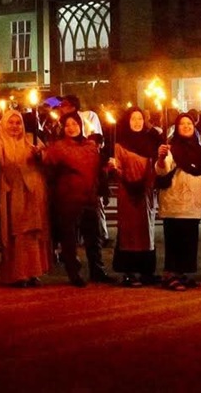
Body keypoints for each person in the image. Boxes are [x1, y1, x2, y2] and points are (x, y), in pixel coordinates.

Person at [43, 111, 114, 287]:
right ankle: (74, 272)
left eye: (74, 124)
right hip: (68, 200)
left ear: (81, 125)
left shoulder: (90, 146)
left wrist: (107, 167)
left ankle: (97, 270)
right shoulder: (58, 147)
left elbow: (98, 170)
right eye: (67, 125)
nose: (71, 128)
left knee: (93, 237)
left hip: (89, 198)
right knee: (69, 238)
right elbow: (50, 172)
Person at [0, 109, 52, 287]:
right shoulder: (0, 140)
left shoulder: (31, 138)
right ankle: (18, 274)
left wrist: (40, 154)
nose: (15, 126)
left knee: (32, 232)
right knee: (17, 233)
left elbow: (46, 158)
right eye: (10, 122)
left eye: (18, 123)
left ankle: (33, 272)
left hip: (33, 192)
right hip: (13, 193)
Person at [155, 113, 201, 291]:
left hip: (192, 204)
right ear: (177, 128)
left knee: (189, 240)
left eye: (189, 124)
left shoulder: (199, 150)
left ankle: (181, 274)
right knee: (174, 239)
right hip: (174, 202)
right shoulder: (171, 149)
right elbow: (162, 171)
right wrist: (161, 158)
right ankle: (170, 275)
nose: (186, 126)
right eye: (182, 124)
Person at [109, 106, 162, 287]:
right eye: (133, 119)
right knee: (129, 231)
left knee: (145, 230)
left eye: (140, 119)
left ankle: (146, 271)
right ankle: (129, 272)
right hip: (127, 193)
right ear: (128, 121)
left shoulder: (151, 142)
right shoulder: (120, 145)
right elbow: (117, 169)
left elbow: (157, 166)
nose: (137, 122)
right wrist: (114, 169)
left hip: (145, 192)